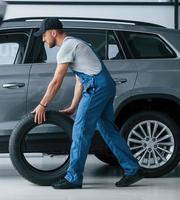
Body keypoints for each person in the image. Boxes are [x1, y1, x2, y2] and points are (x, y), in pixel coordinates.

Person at [32, 17, 144, 189]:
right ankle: (133, 169)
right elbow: (80, 80)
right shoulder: (76, 44)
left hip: (97, 87)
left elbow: (56, 81)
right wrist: (73, 106)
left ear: (53, 32)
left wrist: (43, 104)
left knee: (80, 130)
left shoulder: (67, 47)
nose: (42, 39)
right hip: (104, 85)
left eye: (44, 35)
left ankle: (73, 178)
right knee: (108, 130)